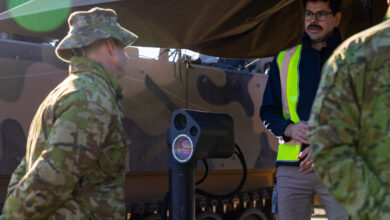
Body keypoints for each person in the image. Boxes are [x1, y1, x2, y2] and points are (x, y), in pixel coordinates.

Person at [0, 7, 137, 219]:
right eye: (122, 47)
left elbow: (25, 169)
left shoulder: (68, 90)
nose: (127, 55)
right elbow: (53, 175)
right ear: (110, 45)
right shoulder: (91, 96)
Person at [260, 0, 348, 219]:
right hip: (292, 169)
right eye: (309, 14)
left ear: (336, 18)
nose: (313, 20)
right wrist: (289, 129)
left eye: (321, 14)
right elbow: (268, 111)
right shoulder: (284, 60)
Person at [308, 0, 390, 219]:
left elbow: (328, 146)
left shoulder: (354, 54)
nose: (313, 20)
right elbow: (330, 145)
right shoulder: (356, 55)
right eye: (309, 14)